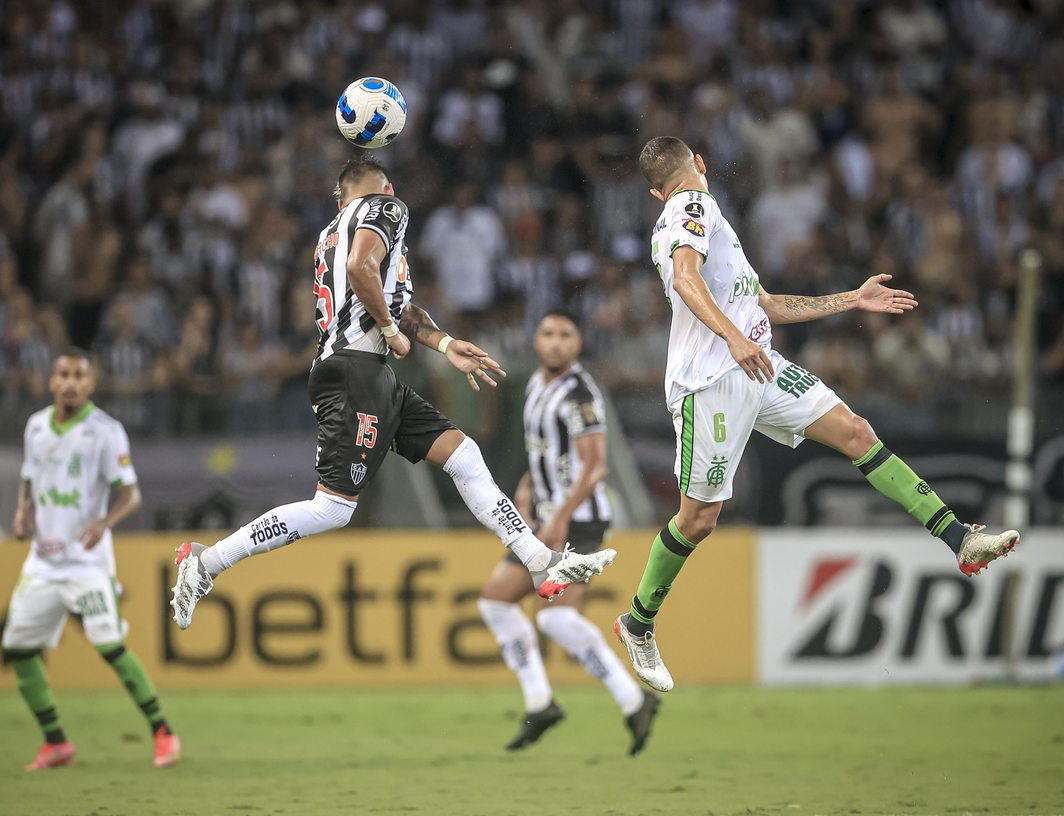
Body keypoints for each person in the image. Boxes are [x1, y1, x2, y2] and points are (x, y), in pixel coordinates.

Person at [614, 137, 1020, 693]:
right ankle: (637, 622)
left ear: (652, 188)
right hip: (710, 382)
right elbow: (685, 281)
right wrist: (733, 338)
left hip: (759, 366)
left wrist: (851, 299)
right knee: (699, 519)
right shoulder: (689, 208)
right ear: (697, 168)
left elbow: (767, 305)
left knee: (855, 433)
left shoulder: (711, 220)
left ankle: (958, 538)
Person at [170, 155, 616, 629]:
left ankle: (539, 559)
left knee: (463, 456)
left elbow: (392, 303)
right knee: (333, 508)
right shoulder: (385, 209)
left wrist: (443, 343)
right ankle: (208, 561)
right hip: (355, 372)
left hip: (363, 371)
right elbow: (366, 273)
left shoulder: (329, 233)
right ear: (382, 187)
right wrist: (390, 328)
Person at [478, 310, 659, 755]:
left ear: (578, 343)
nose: (555, 342)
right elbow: (541, 454)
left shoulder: (580, 394)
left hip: (577, 521)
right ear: (536, 341)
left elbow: (595, 466)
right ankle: (543, 702)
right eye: (547, 334)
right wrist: (526, 490)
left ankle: (633, 699)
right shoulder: (537, 385)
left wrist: (559, 517)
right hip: (544, 519)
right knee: (496, 602)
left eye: (565, 335)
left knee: (557, 617)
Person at [2, 348, 180, 771]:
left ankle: (163, 732)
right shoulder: (35, 427)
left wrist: (105, 522)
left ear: (90, 384)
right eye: (62, 374)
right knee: (18, 649)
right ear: (51, 381)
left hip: (87, 563)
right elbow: (28, 478)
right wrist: (22, 510)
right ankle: (55, 742)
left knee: (110, 646)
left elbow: (132, 495)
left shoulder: (106, 431)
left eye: (78, 376)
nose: (69, 382)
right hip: (43, 563)